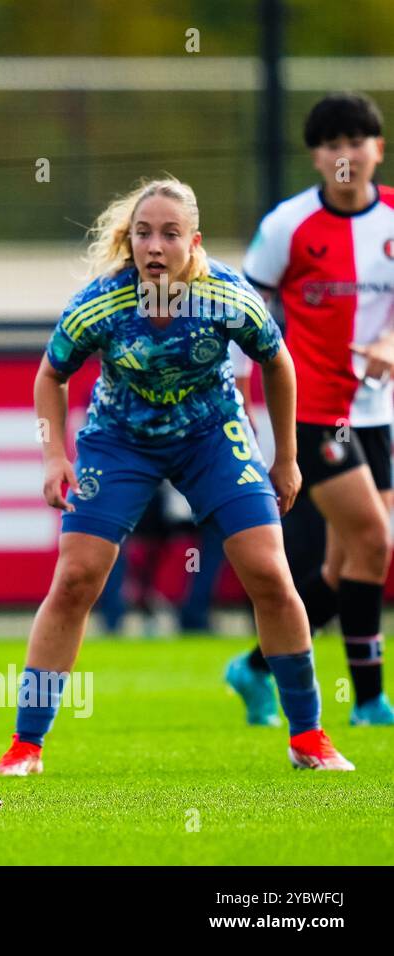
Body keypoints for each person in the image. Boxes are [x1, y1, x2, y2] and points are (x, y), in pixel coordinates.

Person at [0, 177, 355, 776]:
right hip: (120, 441)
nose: (154, 247)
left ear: (194, 242)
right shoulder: (100, 303)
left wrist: (285, 456)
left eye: (168, 234)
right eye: (143, 234)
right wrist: (54, 455)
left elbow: (277, 362)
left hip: (211, 436)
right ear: (129, 242)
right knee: (77, 578)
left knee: (267, 570)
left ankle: (309, 736)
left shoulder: (228, 297)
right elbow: (49, 376)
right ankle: (26, 743)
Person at [227, 91, 394, 727]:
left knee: (350, 561)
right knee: (375, 540)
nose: (346, 154)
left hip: (376, 413)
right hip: (313, 408)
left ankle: (255, 667)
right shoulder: (286, 227)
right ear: (317, 157)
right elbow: (243, 314)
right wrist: (240, 400)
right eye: (333, 143)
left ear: (377, 148)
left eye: (358, 140)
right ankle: (371, 700)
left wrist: (386, 343)